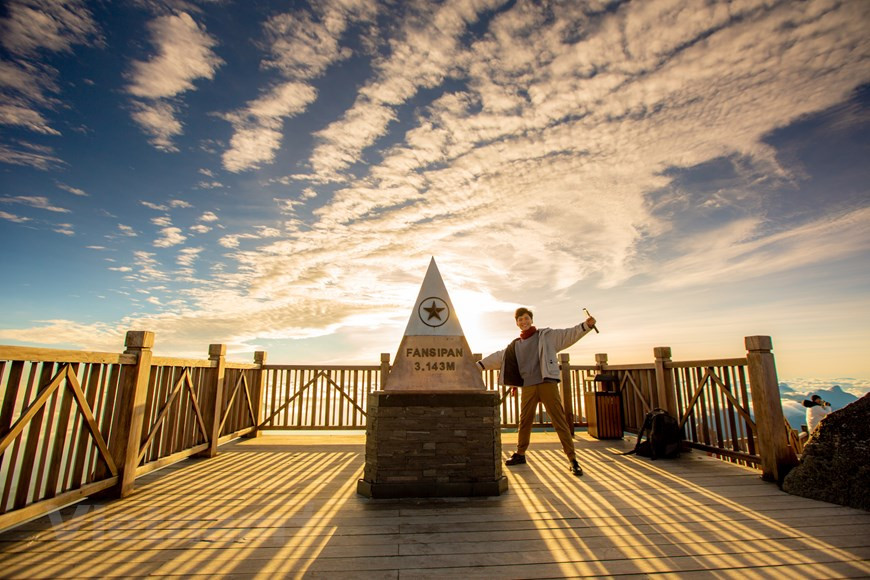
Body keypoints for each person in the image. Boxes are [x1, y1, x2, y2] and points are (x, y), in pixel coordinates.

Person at [477, 307, 596, 476]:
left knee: (559, 421)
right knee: (524, 421)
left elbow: (568, 334)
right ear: (517, 323)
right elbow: (499, 357)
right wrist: (478, 366)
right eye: (520, 320)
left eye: (526, 318)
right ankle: (520, 454)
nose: (523, 322)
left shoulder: (546, 336)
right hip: (528, 386)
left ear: (531, 320)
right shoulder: (515, 345)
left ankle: (572, 459)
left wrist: (586, 326)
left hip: (547, 383)